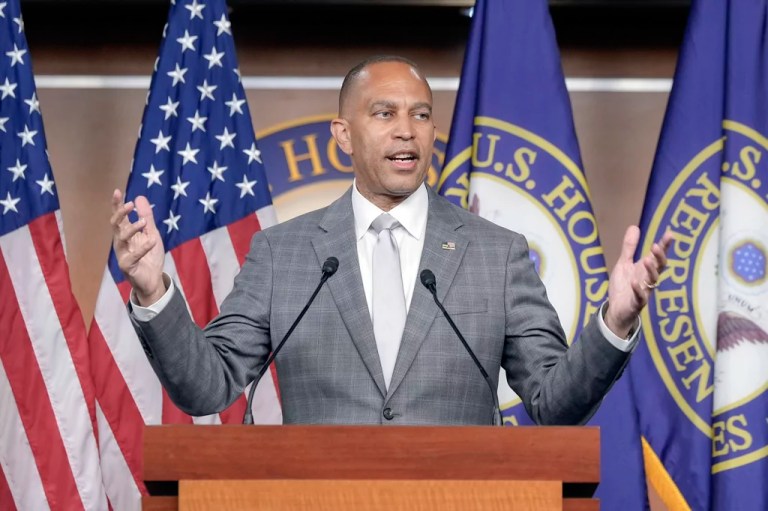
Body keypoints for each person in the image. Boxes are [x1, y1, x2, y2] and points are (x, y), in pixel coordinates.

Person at [111, 55, 671, 426]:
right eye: (385, 114)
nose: (407, 129)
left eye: (421, 115)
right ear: (343, 136)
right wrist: (154, 289)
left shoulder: (496, 253)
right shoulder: (284, 254)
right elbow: (206, 388)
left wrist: (614, 323)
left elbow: (553, 403)